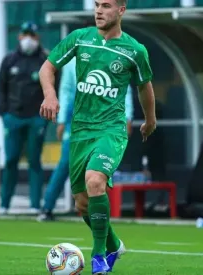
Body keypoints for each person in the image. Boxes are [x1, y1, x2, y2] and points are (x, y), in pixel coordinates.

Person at [38, 0, 157, 273]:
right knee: (82, 204)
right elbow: (47, 68)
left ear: (121, 10)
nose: (98, 10)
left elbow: (144, 87)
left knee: (95, 181)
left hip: (110, 129)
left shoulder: (134, 50)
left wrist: (150, 119)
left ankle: (99, 256)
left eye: (105, 5)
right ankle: (114, 244)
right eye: (96, 4)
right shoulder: (80, 39)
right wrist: (50, 95)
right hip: (80, 131)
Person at [37, 56, 134, 222]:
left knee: (101, 165)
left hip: (106, 122)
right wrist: (61, 121)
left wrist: (128, 117)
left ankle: (98, 211)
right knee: (66, 164)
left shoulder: (115, 58)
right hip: (78, 123)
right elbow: (67, 90)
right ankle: (47, 207)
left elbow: (124, 89)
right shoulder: (73, 62)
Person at [0, 21, 50, 215]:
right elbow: (0, 87)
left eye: (32, 35)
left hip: (36, 117)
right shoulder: (9, 60)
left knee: (34, 161)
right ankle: (4, 204)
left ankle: (35, 204)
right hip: (14, 117)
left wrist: (46, 117)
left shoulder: (45, 60)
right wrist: (4, 113)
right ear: (19, 36)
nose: (29, 39)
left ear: (38, 37)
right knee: (10, 160)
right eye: (25, 34)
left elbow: (53, 89)